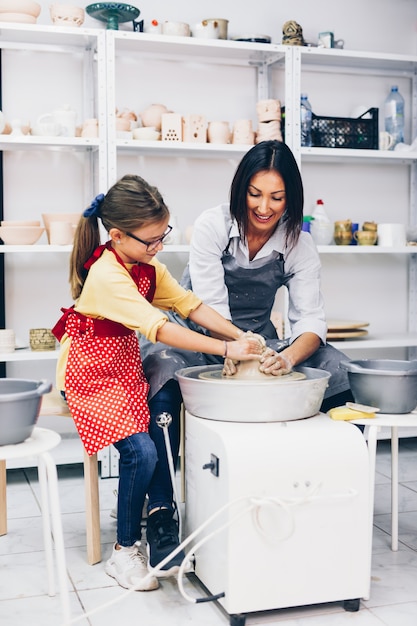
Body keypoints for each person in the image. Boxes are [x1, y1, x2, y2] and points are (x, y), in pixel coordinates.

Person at [140, 140, 354, 574]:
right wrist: (234, 345)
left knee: (335, 368)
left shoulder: (298, 242)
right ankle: (162, 513)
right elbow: (209, 304)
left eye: (277, 197)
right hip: (194, 334)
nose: (264, 207)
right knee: (162, 373)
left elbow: (310, 320)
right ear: (241, 189)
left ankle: (336, 493)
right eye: (255, 194)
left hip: (256, 340)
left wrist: (290, 358)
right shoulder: (212, 225)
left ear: (290, 197)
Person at [51, 174, 264, 592]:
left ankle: (147, 521)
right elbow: (160, 330)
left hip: (123, 368)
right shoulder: (108, 275)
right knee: (141, 452)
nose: (158, 246)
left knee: (151, 441)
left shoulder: (145, 266)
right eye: (150, 240)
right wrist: (226, 351)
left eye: (162, 235)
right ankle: (124, 550)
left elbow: (190, 304)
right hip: (89, 375)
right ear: (117, 236)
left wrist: (238, 335)